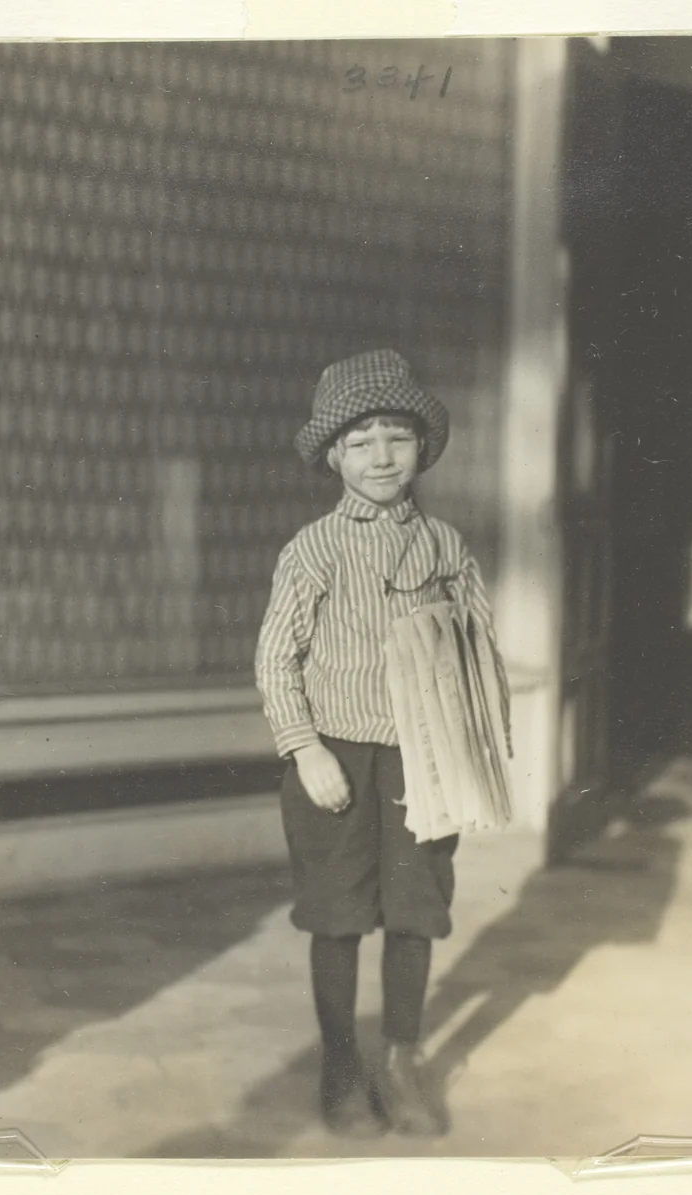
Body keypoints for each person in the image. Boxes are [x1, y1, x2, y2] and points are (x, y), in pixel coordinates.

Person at [254, 348, 512, 1139]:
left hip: (423, 763)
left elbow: (479, 648)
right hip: (336, 762)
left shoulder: (444, 548)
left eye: (396, 437)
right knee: (336, 917)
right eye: (360, 440)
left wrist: (476, 748)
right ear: (333, 454)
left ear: (421, 449)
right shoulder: (312, 551)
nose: (380, 456)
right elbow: (276, 659)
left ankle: (401, 1062)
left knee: (414, 912)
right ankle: (341, 1066)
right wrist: (307, 751)